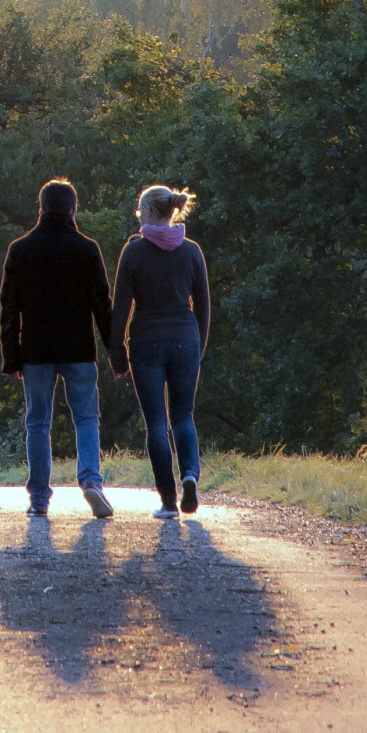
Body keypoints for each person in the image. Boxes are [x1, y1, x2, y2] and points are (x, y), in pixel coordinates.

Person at [0, 177, 126, 519]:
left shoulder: (20, 250)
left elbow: (9, 309)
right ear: (74, 210)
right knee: (86, 417)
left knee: (37, 422)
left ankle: (39, 497)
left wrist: (11, 358)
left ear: (40, 210)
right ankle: (91, 481)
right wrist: (117, 354)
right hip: (79, 350)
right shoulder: (87, 249)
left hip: (36, 351)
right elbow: (103, 305)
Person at [110, 184, 210, 520]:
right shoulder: (193, 251)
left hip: (146, 343)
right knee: (183, 415)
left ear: (149, 212)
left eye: (139, 211)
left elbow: (120, 309)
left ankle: (168, 502)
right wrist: (200, 346)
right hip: (186, 340)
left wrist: (116, 353)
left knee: (156, 422)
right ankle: (190, 476)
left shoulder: (134, 253)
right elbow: (204, 308)